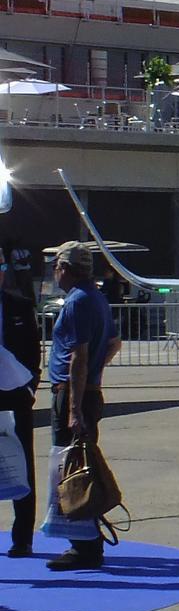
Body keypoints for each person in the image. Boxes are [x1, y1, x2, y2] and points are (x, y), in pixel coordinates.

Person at [43, 243, 117, 571]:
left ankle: (84, 544)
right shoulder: (97, 298)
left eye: (56, 266)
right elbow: (114, 342)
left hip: (74, 393)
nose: (54, 272)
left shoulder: (77, 302)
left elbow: (79, 356)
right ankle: (86, 539)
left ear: (65, 268)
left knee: (71, 471)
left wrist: (73, 407)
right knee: (78, 466)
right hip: (88, 390)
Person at [1, 239, 41, 557]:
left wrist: (30, 388)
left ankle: (22, 537)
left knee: (21, 462)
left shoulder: (19, 304)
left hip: (15, 394)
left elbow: (33, 348)